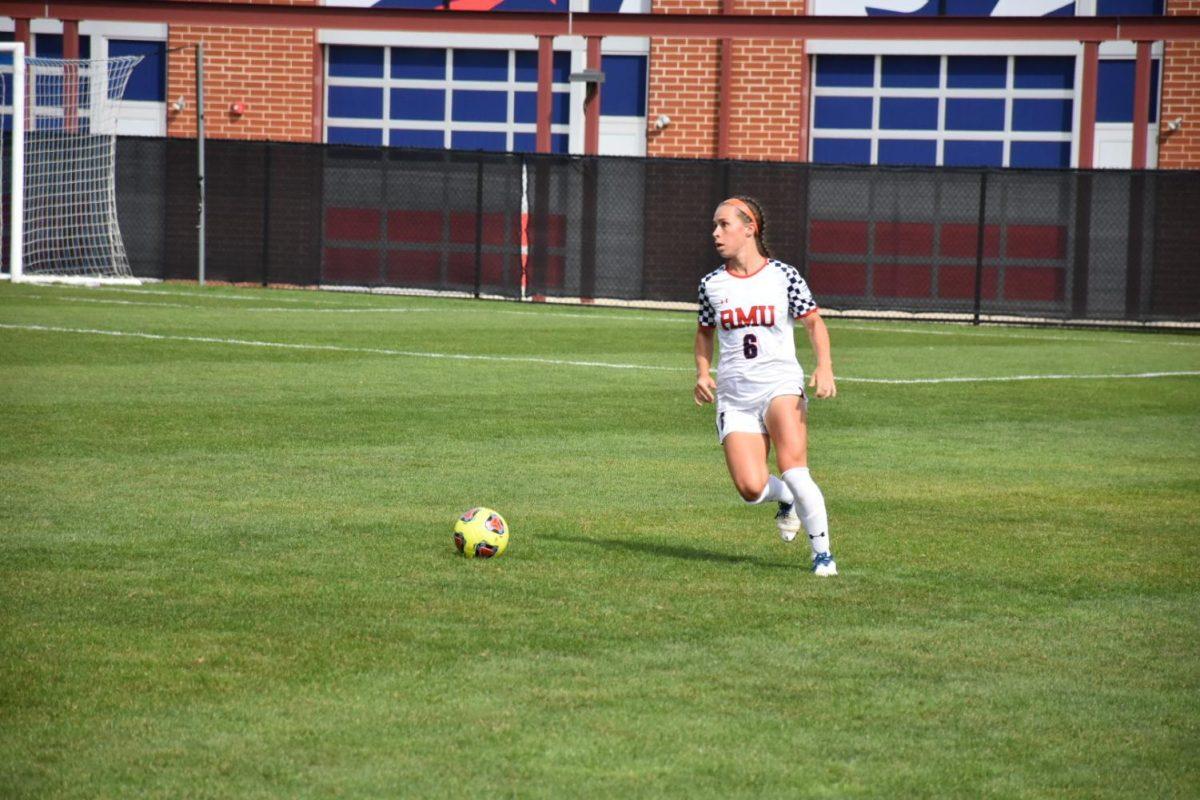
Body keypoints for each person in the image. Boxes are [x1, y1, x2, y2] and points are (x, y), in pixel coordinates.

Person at [693, 196, 839, 576]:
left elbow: (814, 323)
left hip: (780, 384)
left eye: (724, 224)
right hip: (735, 396)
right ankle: (784, 497)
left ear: (749, 228)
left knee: (794, 468)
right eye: (715, 225)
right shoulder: (711, 284)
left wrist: (824, 367)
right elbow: (704, 333)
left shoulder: (784, 276)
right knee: (751, 489)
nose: (716, 232)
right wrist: (702, 372)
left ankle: (822, 554)